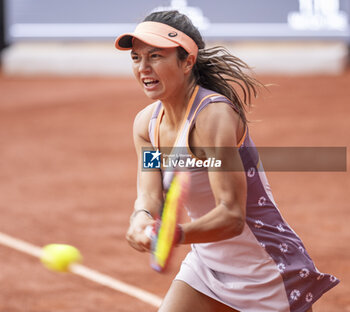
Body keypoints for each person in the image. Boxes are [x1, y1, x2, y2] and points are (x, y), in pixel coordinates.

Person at [115, 10, 339, 312]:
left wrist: (174, 233)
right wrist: (140, 217)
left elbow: (231, 216)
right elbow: (150, 194)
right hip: (207, 266)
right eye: (136, 58)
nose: (143, 67)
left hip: (266, 268)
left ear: (187, 61)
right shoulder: (147, 126)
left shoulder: (213, 118)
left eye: (155, 56)